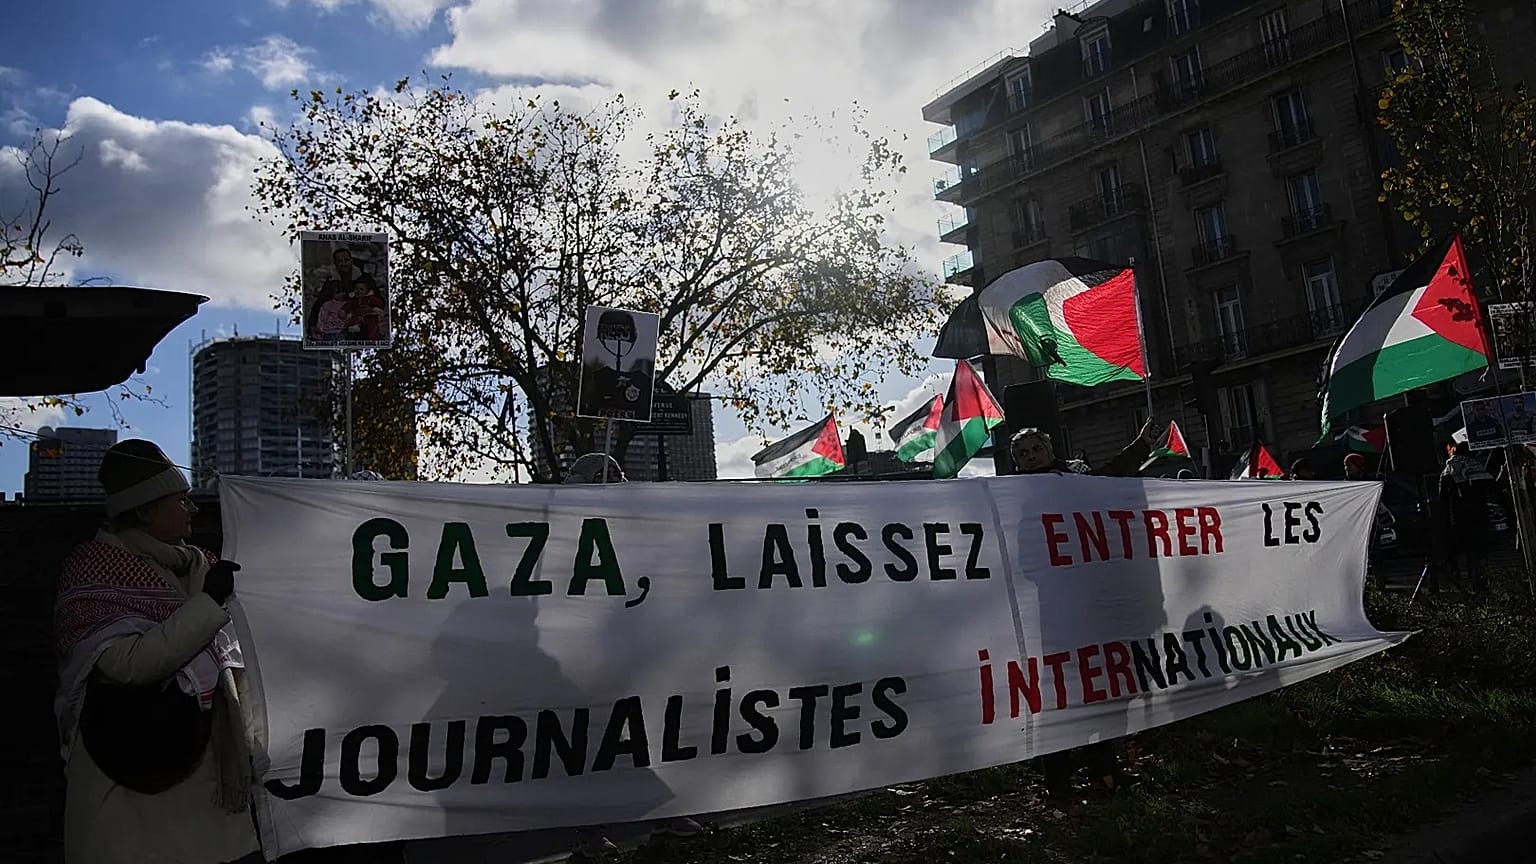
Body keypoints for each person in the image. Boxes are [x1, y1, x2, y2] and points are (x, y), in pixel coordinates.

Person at [53, 440, 258, 864]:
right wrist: (208, 605)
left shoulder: (201, 567)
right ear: (145, 510)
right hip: (129, 797)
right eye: (181, 501)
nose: (192, 510)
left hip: (208, 794)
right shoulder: (94, 571)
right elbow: (128, 665)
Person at [1006, 417, 1157, 799]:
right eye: (1022, 454)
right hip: (1058, 615)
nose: (1031, 457)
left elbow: (1110, 477)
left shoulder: (1078, 481)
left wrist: (1140, 446)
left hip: (1095, 607)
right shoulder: (1020, 501)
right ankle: (1057, 782)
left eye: (1036, 448)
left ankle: (1103, 770)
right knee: (1061, 696)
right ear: (1018, 464)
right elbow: (1026, 564)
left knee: (1104, 687)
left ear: (1051, 450)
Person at [1439, 441, 1495, 592]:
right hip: (1480, 514)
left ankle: (1466, 581)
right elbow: (1491, 488)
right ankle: (1482, 583)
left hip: (1460, 517)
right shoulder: (1477, 466)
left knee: (1463, 552)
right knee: (1479, 552)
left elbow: (1443, 498)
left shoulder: (1449, 469)